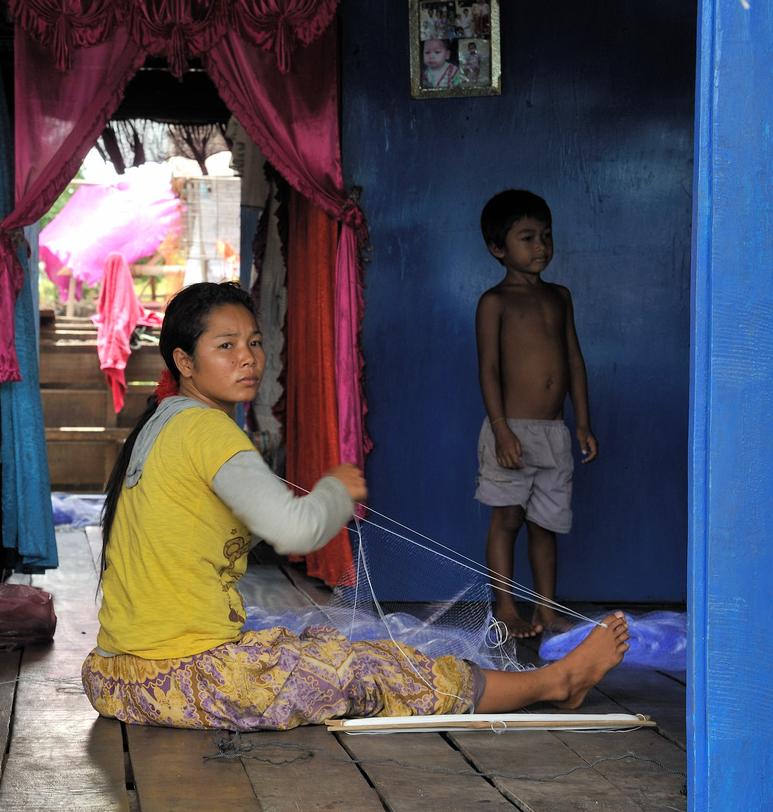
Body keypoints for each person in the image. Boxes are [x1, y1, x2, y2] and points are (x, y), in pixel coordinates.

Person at [81, 280, 627, 732]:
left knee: (331, 648)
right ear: (185, 361)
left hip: (116, 676)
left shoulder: (163, 422)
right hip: (184, 679)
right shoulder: (206, 430)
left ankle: (548, 681)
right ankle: (556, 682)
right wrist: (337, 489)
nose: (247, 359)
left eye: (254, 342)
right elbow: (295, 531)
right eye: (225, 346)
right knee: (373, 668)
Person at [474, 190, 599, 640]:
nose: (541, 246)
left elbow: (575, 362)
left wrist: (581, 422)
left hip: (554, 432)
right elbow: (487, 369)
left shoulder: (559, 296)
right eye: (527, 237)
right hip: (512, 432)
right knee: (507, 519)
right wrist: (503, 430)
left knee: (546, 525)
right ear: (498, 248)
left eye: (546, 235)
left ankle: (546, 610)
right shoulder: (495, 302)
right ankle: (506, 606)